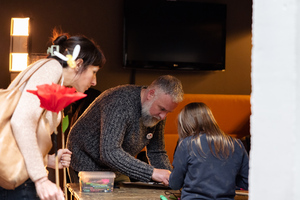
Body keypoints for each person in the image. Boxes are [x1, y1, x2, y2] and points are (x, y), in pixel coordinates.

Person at [0, 29, 106, 200]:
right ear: (78, 64)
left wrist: (47, 160)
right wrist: (41, 179)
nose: (94, 81)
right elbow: (22, 120)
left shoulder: (50, 76)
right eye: (94, 72)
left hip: (16, 178)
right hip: (20, 184)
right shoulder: (52, 68)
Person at [66, 75, 184, 186]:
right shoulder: (119, 102)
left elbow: (157, 151)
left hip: (117, 162)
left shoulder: (158, 112)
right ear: (151, 94)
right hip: (87, 159)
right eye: (162, 109)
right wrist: (152, 173)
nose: (163, 116)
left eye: (168, 112)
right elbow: (110, 152)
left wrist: (170, 180)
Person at [169, 102, 249, 200]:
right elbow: (247, 182)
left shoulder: (186, 144)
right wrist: (225, 179)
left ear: (185, 125)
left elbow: (175, 184)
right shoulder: (236, 144)